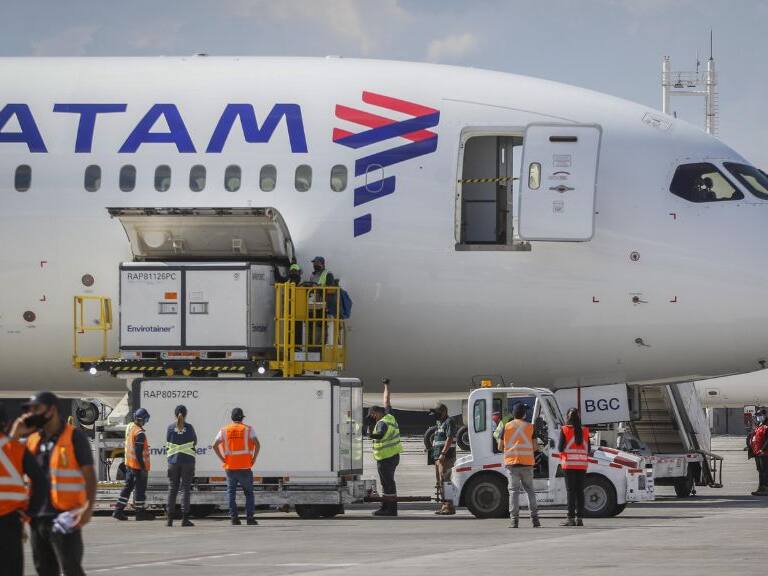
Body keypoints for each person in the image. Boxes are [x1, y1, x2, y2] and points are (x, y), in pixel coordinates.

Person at [11, 391, 96, 576]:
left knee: (71, 567)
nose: (32, 414)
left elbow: (89, 475)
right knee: (44, 570)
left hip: (64, 517)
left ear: (52, 410)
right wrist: (15, 435)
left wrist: (88, 508)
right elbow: (8, 464)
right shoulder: (33, 440)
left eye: (36, 409)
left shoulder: (74, 437)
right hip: (37, 517)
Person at [0, 402, 46, 576]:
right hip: (11, 521)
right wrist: (29, 513)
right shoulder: (17, 449)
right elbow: (40, 483)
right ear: (6, 422)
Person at [213, 407, 260, 525]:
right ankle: (250, 518)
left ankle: (234, 518)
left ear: (232, 418)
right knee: (249, 493)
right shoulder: (248, 429)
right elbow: (257, 444)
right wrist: (253, 458)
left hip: (230, 468)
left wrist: (222, 458)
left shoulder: (224, 430)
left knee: (231, 493)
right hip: (245, 467)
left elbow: (214, 445)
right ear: (242, 418)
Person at [498, 403, 540, 528]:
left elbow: (500, 446)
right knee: (530, 491)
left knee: (514, 492)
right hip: (527, 464)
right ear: (524, 414)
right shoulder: (530, 427)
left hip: (512, 464)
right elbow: (535, 446)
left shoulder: (507, 426)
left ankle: (514, 521)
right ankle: (535, 520)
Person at [368, 379, 403, 516]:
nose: (372, 418)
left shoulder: (382, 423)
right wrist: (386, 386)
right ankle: (386, 507)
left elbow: (379, 436)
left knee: (388, 483)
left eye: (372, 416)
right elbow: (386, 400)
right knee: (386, 483)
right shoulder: (389, 416)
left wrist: (369, 430)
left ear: (376, 413)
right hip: (392, 456)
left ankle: (390, 509)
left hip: (386, 458)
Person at [113, 408, 153, 521]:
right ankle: (140, 513)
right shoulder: (140, 433)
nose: (146, 421)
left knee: (127, 488)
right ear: (142, 420)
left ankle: (118, 510)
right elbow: (138, 452)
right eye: (145, 419)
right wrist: (142, 467)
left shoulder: (131, 428)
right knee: (140, 490)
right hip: (137, 467)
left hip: (129, 465)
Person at [166, 405, 197, 526]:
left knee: (172, 490)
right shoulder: (189, 428)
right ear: (186, 414)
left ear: (175, 414)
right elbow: (195, 441)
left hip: (173, 463)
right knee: (185, 490)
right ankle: (184, 519)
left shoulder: (170, 428)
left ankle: (169, 520)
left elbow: (168, 441)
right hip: (187, 462)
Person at [559, 407, 590, 526]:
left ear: (567, 417)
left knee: (570, 492)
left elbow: (560, 448)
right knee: (580, 492)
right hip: (581, 465)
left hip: (568, 465)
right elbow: (589, 449)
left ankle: (570, 518)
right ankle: (580, 518)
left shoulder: (565, 430)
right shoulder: (585, 430)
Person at [430, 403, 457, 515]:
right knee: (440, 481)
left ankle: (449, 506)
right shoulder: (439, 423)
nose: (435, 415)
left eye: (437, 413)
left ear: (444, 412)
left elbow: (449, 438)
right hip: (438, 457)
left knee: (446, 481)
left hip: (445, 457)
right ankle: (444, 505)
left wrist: (443, 453)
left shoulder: (449, 421)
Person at [750, 409, 768, 496]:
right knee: (760, 471)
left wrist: (762, 450)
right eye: (757, 415)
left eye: (760, 415)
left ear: (765, 415)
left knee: (765, 471)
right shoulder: (759, 425)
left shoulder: (766, 426)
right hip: (757, 452)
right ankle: (761, 488)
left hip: (764, 453)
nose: (758, 417)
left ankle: (765, 488)